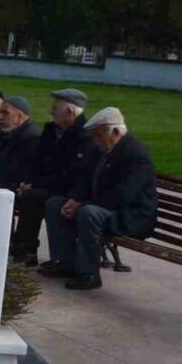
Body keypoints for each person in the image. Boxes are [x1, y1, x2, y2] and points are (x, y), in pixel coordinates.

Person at [42, 107, 157, 290]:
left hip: (131, 216)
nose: (95, 140)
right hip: (105, 208)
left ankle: (89, 274)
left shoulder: (136, 154)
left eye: (98, 135)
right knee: (55, 205)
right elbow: (86, 178)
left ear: (116, 132)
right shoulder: (102, 150)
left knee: (89, 213)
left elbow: (122, 195)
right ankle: (65, 262)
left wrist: (83, 204)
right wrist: (74, 199)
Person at [10, 89, 100, 265]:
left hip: (69, 191)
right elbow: (37, 160)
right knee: (25, 193)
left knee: (35, 197)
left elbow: (70, 175)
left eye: (55, 108)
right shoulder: (52, 131)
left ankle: (27, 250)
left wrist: (35, 184)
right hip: (50, 184)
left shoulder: (84, 137)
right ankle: (22, 248)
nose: (51, 111)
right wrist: (28, 181)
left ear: (70, 111)